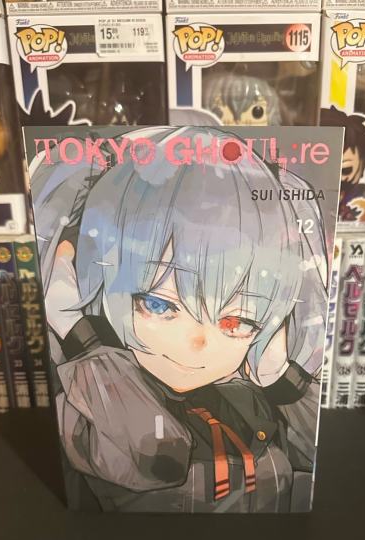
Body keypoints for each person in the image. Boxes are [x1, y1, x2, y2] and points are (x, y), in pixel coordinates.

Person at [31, 126, 329, 513]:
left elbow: (313, 454)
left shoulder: (246, 394)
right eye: (159, 305)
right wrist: (78, 332)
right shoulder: (90, 392)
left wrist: (279, 378)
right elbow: (154, 458)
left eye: (236, 321)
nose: (198, 343)